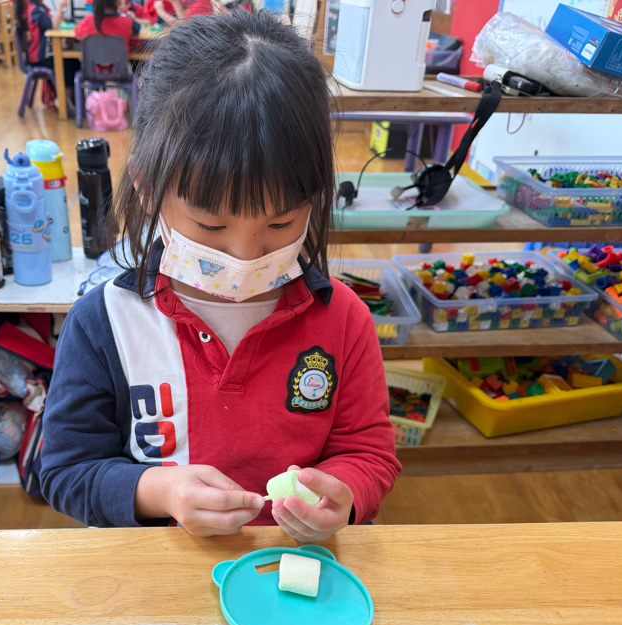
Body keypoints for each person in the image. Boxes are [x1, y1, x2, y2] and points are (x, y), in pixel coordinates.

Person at [39, 12, 401, 541]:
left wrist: (343, 495)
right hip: (163, 570)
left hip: (295, 566)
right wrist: (160, 490)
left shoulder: (343, 321)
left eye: (281, 223)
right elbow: (67, 471)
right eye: (211, 226)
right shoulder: (105, 324)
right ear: (146, 187)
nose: (245, 255)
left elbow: (368, 452)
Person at [15, 0, 78, 98]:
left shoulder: (40, 7)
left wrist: (60, 11)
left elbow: (55, 20)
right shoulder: (35, 10)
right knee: (72, 64)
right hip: (39, 60)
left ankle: (69, 97)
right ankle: (67, 99)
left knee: (72, 61)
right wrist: (60, 7)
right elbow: (52, 25)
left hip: (44, 56)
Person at [74, 0, 139, 52]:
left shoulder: (88, 20)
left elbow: (78, 34)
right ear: (117, 2)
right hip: (120, 64)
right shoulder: (127, 21)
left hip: (92, 65)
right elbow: (136, 31)